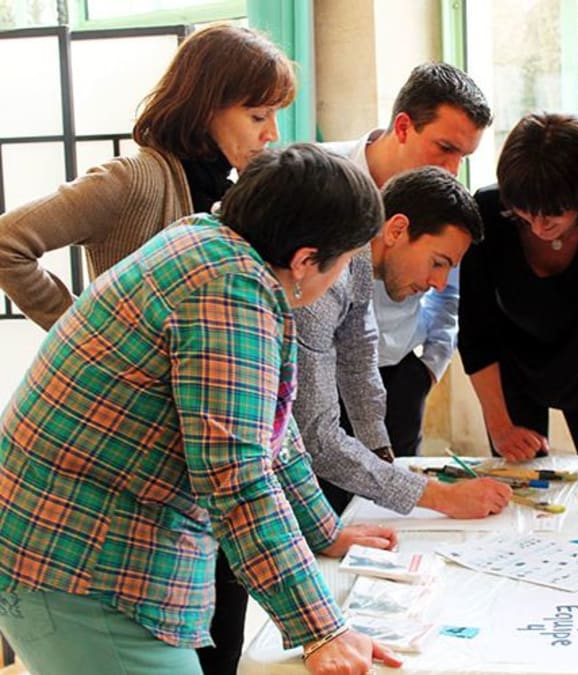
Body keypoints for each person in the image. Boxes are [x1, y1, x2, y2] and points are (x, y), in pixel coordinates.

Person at [0, 144, 403, 675]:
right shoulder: (228, 293)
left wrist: (322, 530)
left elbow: (271, 438)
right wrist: (321, 629)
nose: (343, 278)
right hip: (80, 564)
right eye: (346, 262)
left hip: (83, 551)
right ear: (306, 260)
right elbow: (238, 477)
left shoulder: (216, 245)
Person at [0, 24, 298, 675]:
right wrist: (79, 325)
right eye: (257, 115)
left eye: (274, 116)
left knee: (223, 622)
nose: (269, 133)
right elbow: (8, 240)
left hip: (197, 457)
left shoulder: (235, 194)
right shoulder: (132, 180)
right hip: (126, 465)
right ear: (205, 104)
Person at [293, 165, 512, 516]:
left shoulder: (361, 263)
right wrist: (440, 497)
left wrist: (384, 460)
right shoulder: (327, 275)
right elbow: (318, 438)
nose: (440, 284)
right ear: (396, 229)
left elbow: (359, 369)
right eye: (438, 263)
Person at [458, 112, 578, 474]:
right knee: (523, 488)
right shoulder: (488, 210)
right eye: (525, 213)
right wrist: (499, 427)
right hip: (513, 370)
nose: (539, 226)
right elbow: (476, 332)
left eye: (554, 213)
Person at [322, 61, 493, 460]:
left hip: (398, 377)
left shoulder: (449, 203)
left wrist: (428, 369)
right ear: (402, 127)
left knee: (395, 511)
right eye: (445, 148)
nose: (453, 170)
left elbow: (448, 294)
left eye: (464, 156)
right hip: (320, 375)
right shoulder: (322, 177)